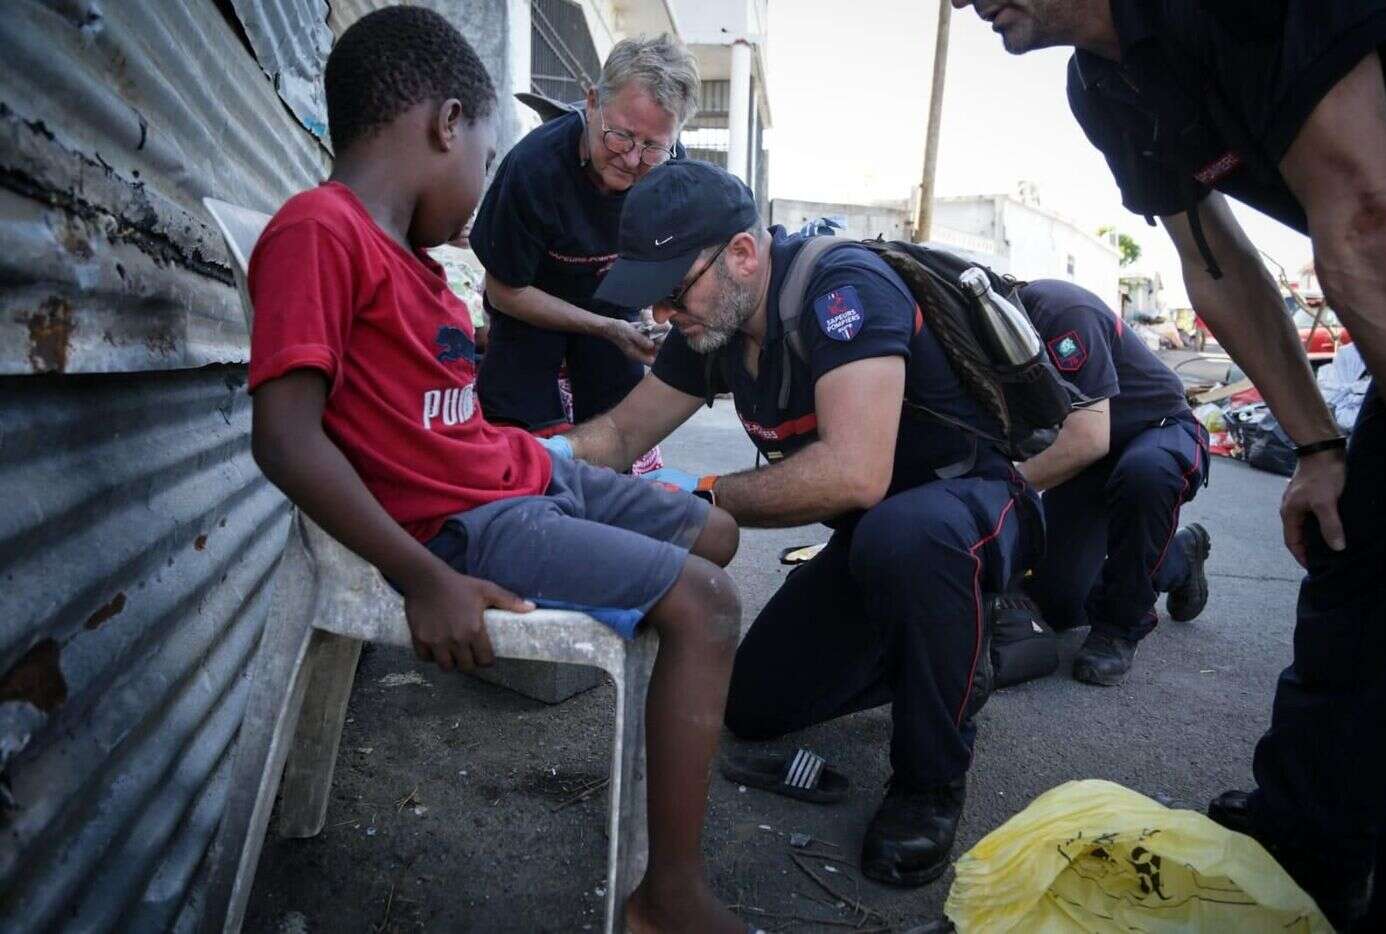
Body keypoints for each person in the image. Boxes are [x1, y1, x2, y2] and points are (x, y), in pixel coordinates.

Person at [244, 10, 746, 932]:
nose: (484, 187)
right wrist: (421, 575)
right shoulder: (320, 231)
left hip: (514, 472)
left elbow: (440, 416)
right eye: (483, 154)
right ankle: (667, 895)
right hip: (465, 524)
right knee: (709, 605)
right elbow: (285, 438)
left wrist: (547, 458)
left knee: (718, 531)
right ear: (445, 125)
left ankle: (678, 703)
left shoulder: (413, 264)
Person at [954, 0, 1386, 926]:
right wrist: (1318, 446)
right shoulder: (1107, 86)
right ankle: (1302, 855)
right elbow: (1218, 262)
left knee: (1152, 477)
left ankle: (1133, 616)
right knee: (1357, 564)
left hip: (1169, 429)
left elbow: (1363, 218)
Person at [557, 159, 1043, 889]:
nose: (661, 316)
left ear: (743, 255)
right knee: (754, 705)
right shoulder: (712, 322)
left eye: (670, 292)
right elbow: (622, 435)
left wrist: (702, 494)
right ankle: (952, 658)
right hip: (873, 537)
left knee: (904, 538)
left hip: (967, 507)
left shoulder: (844, 290)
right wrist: (530, 460)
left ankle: (929, 780)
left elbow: (855, 473)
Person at [468, 34, 698, 449]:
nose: (631, 160)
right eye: (620, 136)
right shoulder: (534, 168)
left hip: (612, 302)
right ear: (592, 103)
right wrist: (603, 327)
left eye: (652, 147)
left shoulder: (672, 174)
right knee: (517, 436)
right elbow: (505, 292)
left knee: (618, 431)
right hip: (529, 303)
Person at [1014, 279, 1211, 686]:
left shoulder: (1060, 312)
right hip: (1095, 455)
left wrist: (1002, 489)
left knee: (1145, 476)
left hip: (1156, 429)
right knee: (1058, 606)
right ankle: (1178, 556)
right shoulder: (993, 342)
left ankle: (1119, 628)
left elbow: (1087, 439)